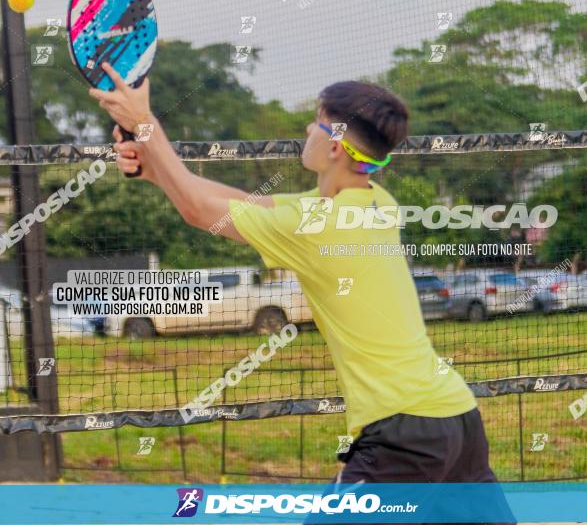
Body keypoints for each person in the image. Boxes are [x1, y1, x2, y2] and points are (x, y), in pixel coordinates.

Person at [89, 64, 504, 493]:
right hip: (457, 419)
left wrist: (146, 123)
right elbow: (240, 202)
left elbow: (199, 210)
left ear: (336, 147)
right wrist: (153, 167)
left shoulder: (317, 225)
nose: (309, 126)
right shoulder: (375, 202)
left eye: (319, 122)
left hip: (403, 432)